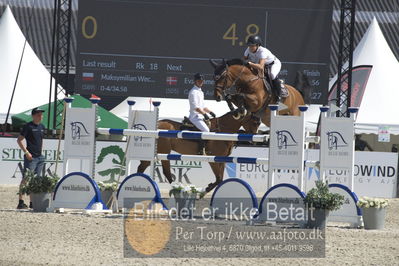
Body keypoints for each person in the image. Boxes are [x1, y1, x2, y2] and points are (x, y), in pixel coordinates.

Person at [16, 107, 46, 209]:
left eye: (41, 114)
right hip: (30, 157)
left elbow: (41, 141)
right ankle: (21, 201)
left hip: (40, 157)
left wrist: (41, 153)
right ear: (33, 115)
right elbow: (19, 140)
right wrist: (26, 152)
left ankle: (33, 202)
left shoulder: (42, 126)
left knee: (36, 181)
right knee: (26, 179)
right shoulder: (28, 126)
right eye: (38, 114)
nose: (41, 116)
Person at [243, 35, 283, 102]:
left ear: (258, 45)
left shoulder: (262, 51)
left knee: (272, 75)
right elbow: (244, 60)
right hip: (260, 65)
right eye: (249, 45)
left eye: (252, 46)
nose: (250, 47)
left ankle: (279, 95)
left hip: (273, 64)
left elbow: (261, 67)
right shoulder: (248, 50)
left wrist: (249, 63)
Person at [188, 73, 216, 154]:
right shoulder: (193, 92)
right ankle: (201, 150)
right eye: (199, 81)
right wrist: (204, 114)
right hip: (194, 117)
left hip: (201, 116)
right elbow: (195, 107)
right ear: (195, 81)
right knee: (206, 130)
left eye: (202, 81)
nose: (200, 82)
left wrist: (210, 112)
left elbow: (203, 107)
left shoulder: (201, 92)